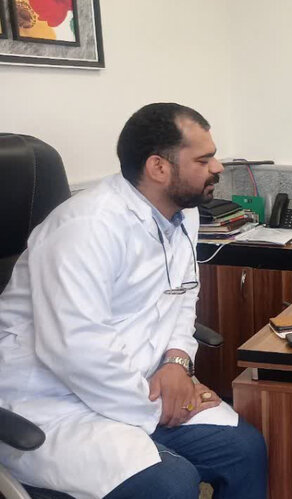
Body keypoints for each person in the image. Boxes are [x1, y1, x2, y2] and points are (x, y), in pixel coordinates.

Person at [0, 103, 267, 498]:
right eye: (204, 159)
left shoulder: (183, 214)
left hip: (143, 385)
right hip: (54, 402)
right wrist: (160, 405)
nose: (218, 167)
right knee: (171, 483)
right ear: (159, 168)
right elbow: (75, 349)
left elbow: (183, 295)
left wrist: (177, 363)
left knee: (244, 450)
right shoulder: (85, 228)